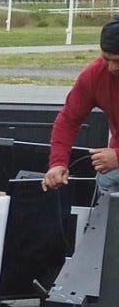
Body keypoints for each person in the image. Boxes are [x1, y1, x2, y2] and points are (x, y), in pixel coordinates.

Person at [43, 18, 119, 195]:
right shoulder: (94, 75)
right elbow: (68, 120)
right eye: (106, 59)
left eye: (117, 60)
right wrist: (57, 163)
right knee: (106, 180)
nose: (111, 67)